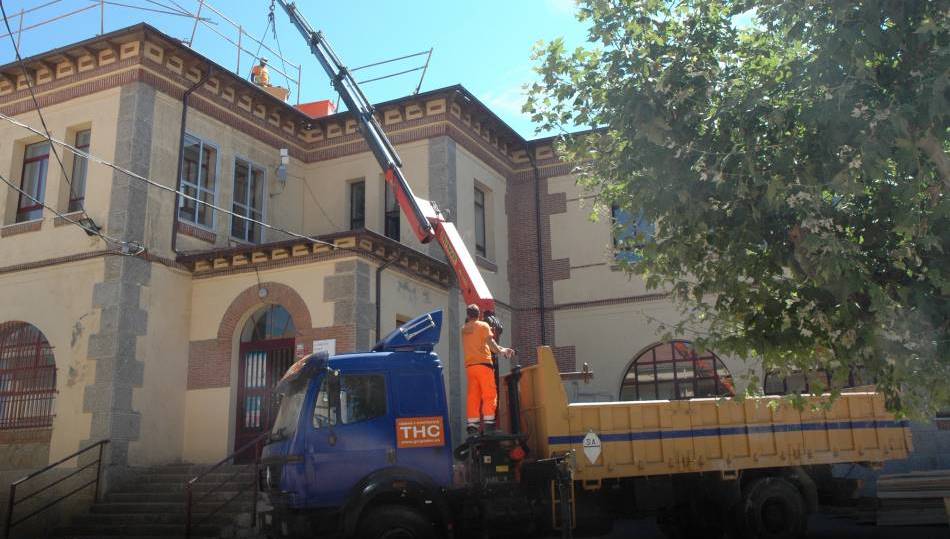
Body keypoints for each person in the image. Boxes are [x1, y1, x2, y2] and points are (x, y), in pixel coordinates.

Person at [462, 304, 513, 435]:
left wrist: (502, 349)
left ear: (467, 315)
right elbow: (492, 345)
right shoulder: (483, 326)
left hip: (470, 367)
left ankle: (472, 424)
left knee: (473, 395)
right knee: (489, 394)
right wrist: (503, 351)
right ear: (479, 314)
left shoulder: (464, 329)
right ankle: (489, 423)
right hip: (484, 365)